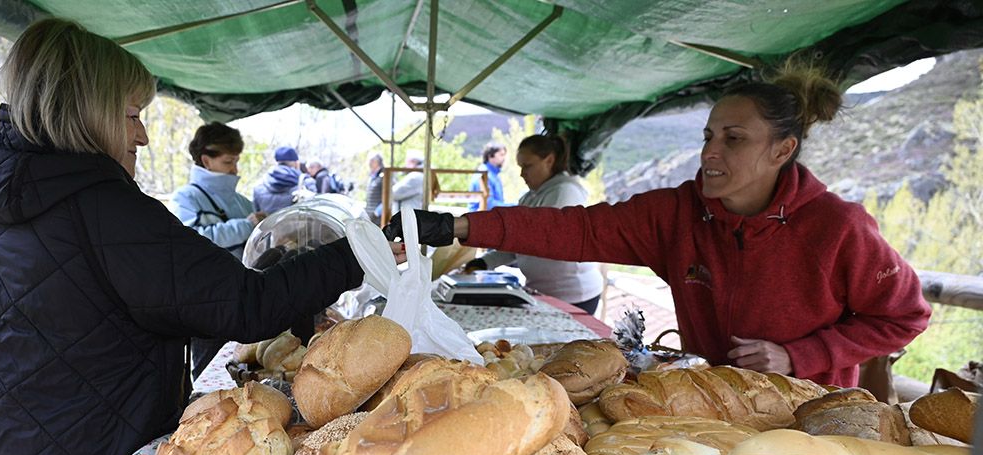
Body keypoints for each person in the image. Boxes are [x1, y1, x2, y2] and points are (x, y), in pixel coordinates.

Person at [0, 18, 393, 455]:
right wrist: (363, 248)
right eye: (132, 116)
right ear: (85, 111)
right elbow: (246, 305)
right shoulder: (105, 209)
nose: (143, 136)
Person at [389, 63, 930, 388]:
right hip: (711, 402)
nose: (710, 152)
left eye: (733, 139)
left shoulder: (837, 227)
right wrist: (460, 226)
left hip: (808, 418)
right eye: (708, 135)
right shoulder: (678, 213)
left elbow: (904, 316)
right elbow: (577, 231)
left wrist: (799, 356)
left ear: (782, 150)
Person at [467, 135, 604, 314]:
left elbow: (538, 237)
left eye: (528, 166)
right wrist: (484, 262)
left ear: (549, 160)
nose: (522, 173)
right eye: (521, 167)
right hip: (543, 291)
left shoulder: (565, 191)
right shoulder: (530, 197)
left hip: (573, 295)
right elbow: (516, 243)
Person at [169, 121, 264, 260]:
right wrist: (247, 226)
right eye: (228, 162)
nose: (235, 169)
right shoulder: (185, 198)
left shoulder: (243, 202)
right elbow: (189, 242)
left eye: (236, 162)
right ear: (206, 161)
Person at [252, 146, 306, 214]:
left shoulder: (259, 186)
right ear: (296, 163)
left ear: (277, 162)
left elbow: (257, 216)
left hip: (269, 224)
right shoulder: (305, 183)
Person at [468, 142, 509, 211]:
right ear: (490, 156)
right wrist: (514, 206)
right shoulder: (484, 173)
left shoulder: (494, 174)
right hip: (479, 218)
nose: (504, 158)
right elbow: (489, 204)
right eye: (501, 155)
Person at [363, 153, 384, 224]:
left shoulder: (384, 176)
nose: (369, 163)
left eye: (372, 161)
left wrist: (376, 213)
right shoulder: (372, 177)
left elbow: (388, 198)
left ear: (377, 162)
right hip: (370, 217)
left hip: (379, 218)